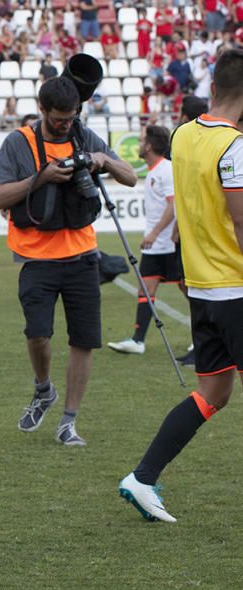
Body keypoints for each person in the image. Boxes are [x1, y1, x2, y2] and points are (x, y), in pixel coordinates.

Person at [118, 49, 243, 523]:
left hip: (203, 290)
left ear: (212, 89)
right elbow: (240, 221)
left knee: (213, 395)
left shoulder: (184, 134)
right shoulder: (234, 147)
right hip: (235, 288)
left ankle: (143, 478)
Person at [0, 75, 137, 446]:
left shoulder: (84, 136)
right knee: (38, 334)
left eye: (70, 118)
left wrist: (103, 159)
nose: (64, 126)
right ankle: (43, 389)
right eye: (57, 120)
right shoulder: (18, 142)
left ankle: (69, 421)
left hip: (84, 256)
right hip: (36, 257)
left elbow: (131, 177)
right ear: (42, 110)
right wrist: (41, 178)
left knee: (83, 340)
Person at [107, 125, 184, 356]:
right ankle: (138, 340)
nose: (139, 144)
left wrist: (154, 233)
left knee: (188, 288)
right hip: (156, 247)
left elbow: (174, 205)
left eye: (141, 140)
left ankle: (207, 335)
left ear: (149, 145)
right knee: (146, 287)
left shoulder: (165, 170)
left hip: (169, 244)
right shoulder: (155, 171)